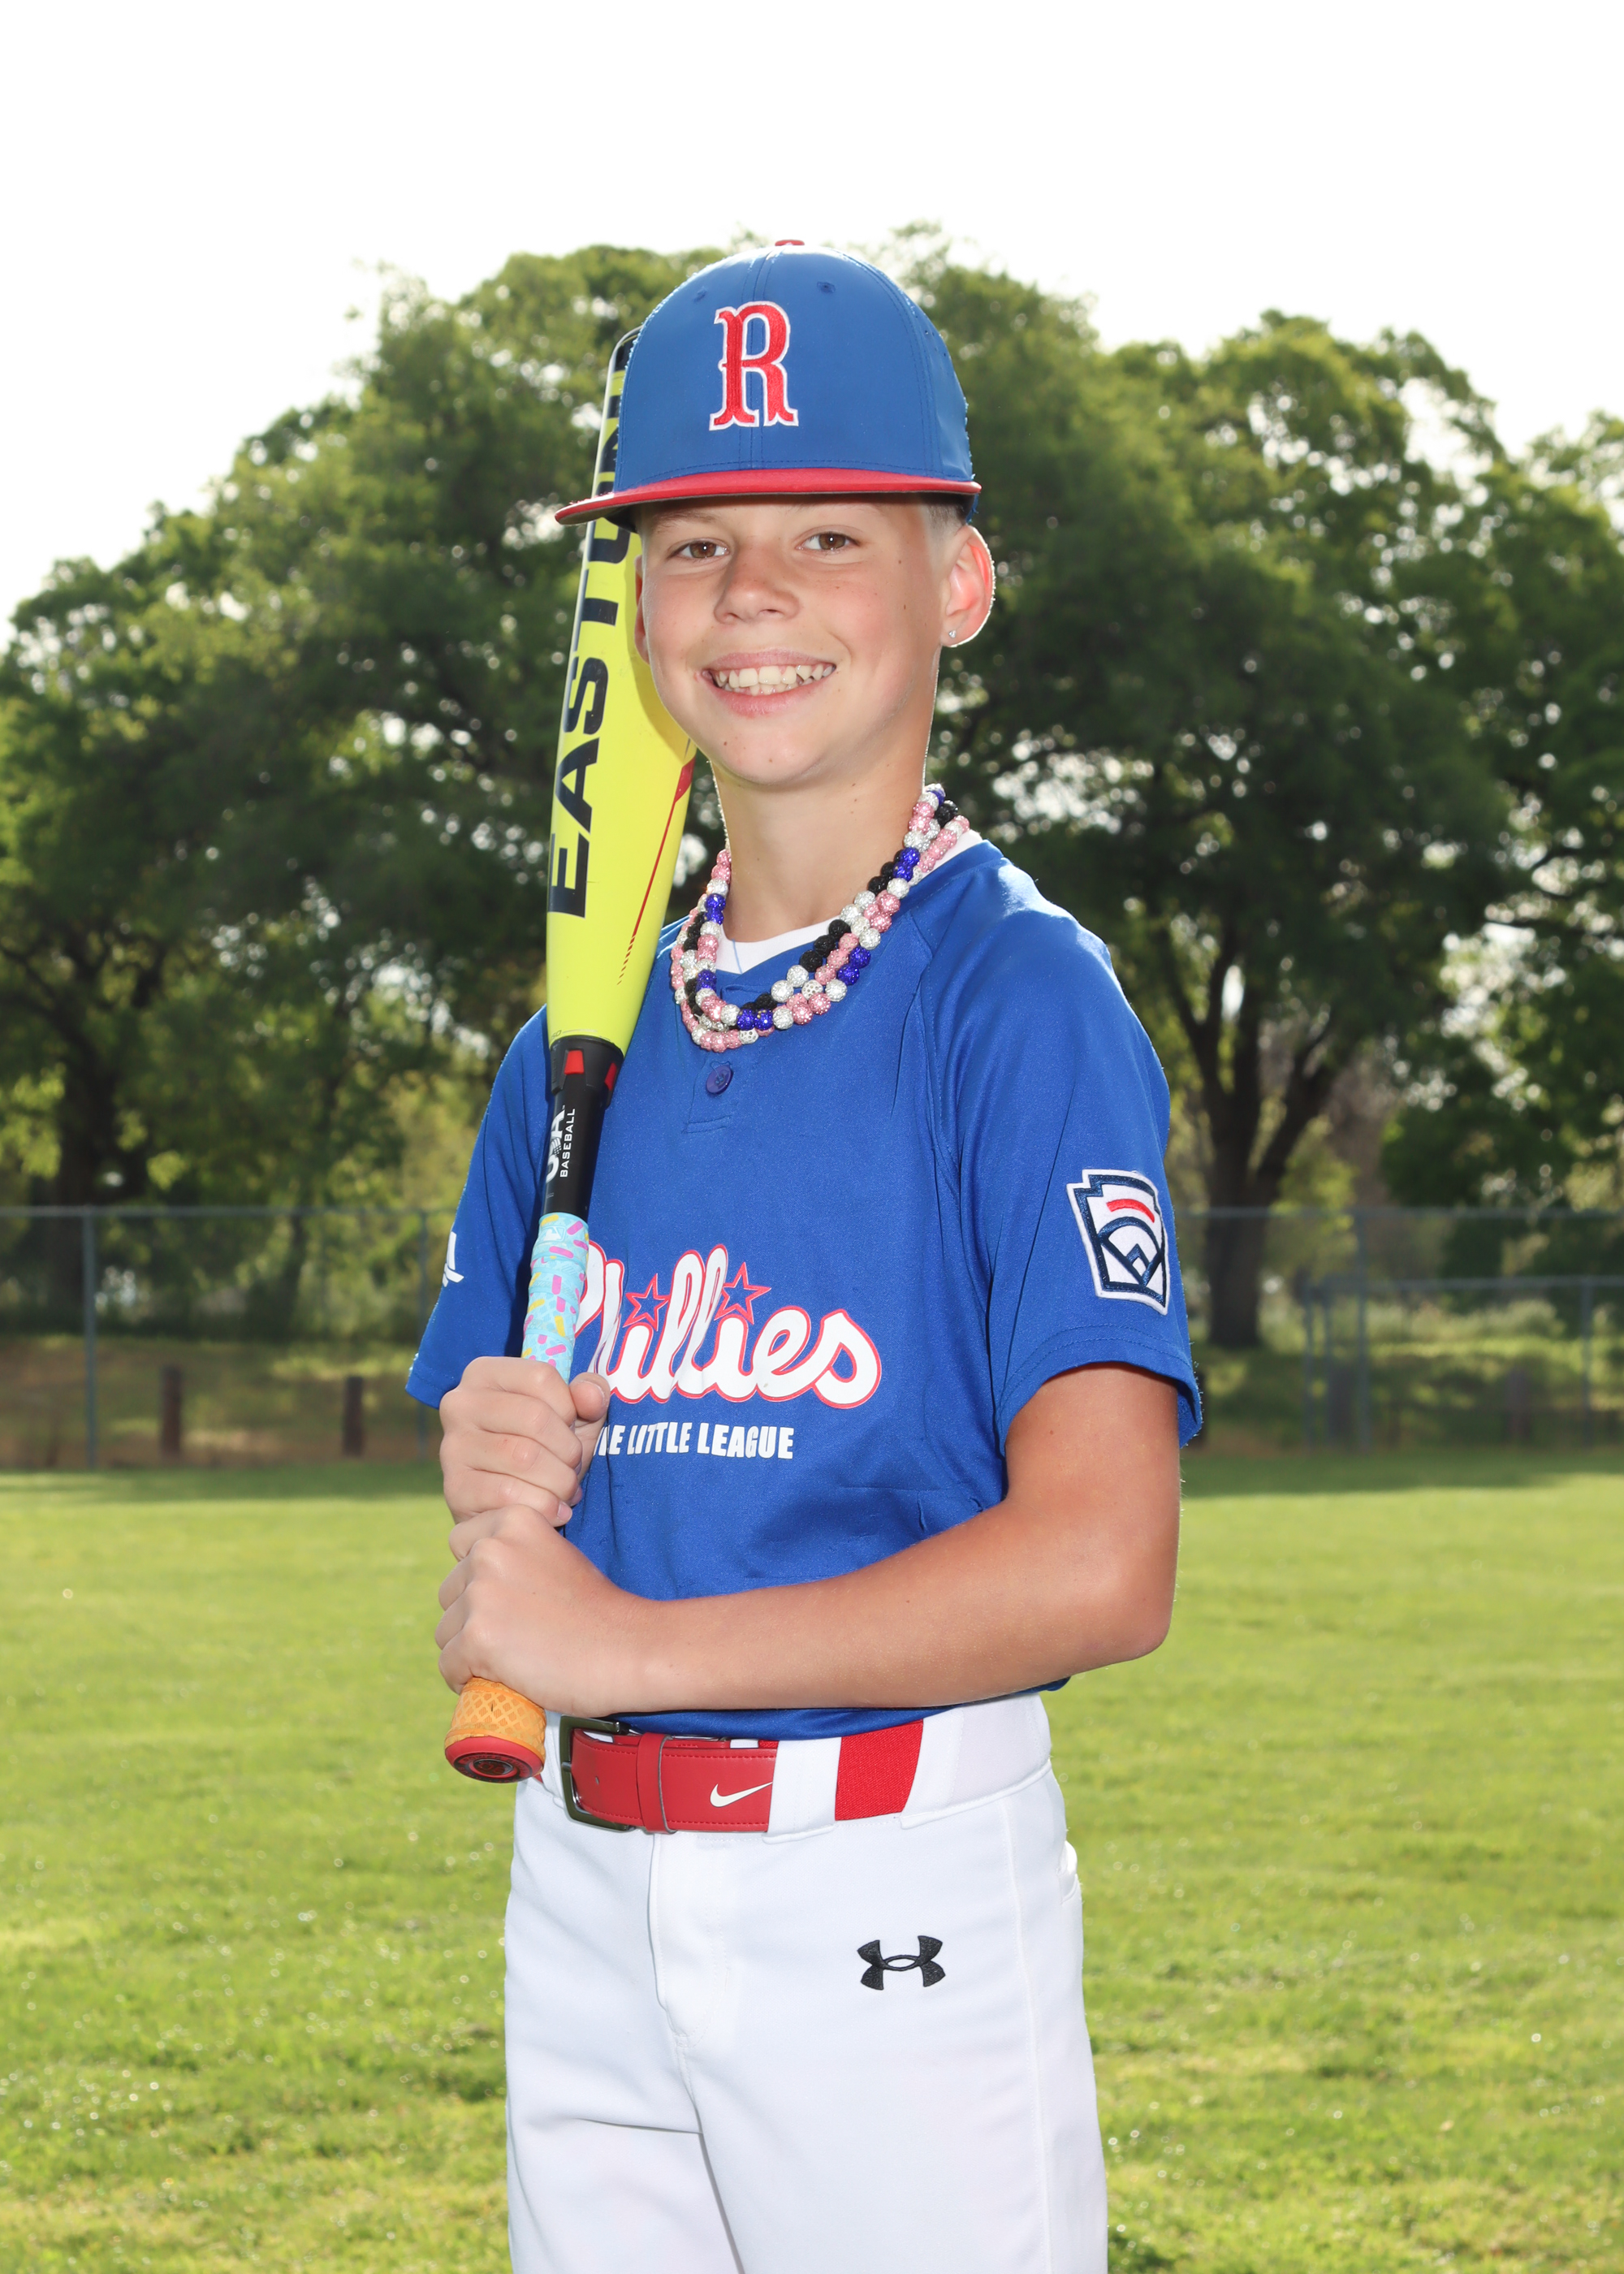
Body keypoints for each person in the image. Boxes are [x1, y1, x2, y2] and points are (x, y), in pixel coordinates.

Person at [408, 243, 1199, 2274]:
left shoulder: (1019, 997)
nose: (751, 593)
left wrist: (626, 1651)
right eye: (691, 544)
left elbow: (1102, 1562)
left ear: (959, 582)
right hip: (582, 1883)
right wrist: (490, 1464)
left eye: (828, 534)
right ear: (635, 610)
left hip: (885, 1885)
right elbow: (522, 1500)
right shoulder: (574, 1048)